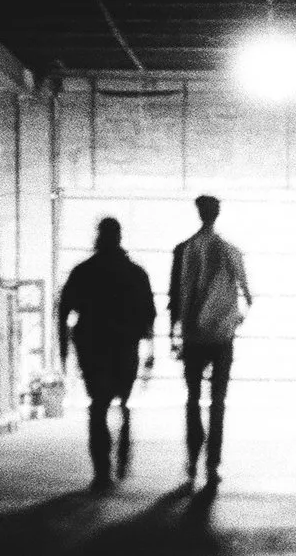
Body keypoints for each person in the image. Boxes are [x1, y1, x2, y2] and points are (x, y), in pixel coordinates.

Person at [57, 217, 157, 492]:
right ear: (119, 237)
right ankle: (123, 448)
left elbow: (64, 309)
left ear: (98, 236)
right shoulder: (135, 273)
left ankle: (102, 470)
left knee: (98, 406)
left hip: (93, 346)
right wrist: (150, 352)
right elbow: (149, 315)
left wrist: (63, 349)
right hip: (125, 345)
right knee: (123, 402)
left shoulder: (84, 271)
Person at [169, 194, 252, 488]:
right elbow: (248, 296)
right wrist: (233, 319)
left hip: (193, 336)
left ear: (199, 212)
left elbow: (174, 297)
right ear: (217, 214)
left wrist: (174, 333)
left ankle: (192, 459)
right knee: (218, 401)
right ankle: (213, 464)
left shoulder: (183, 250)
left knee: (192, 399)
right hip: (221, 338)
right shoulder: (231, 251)